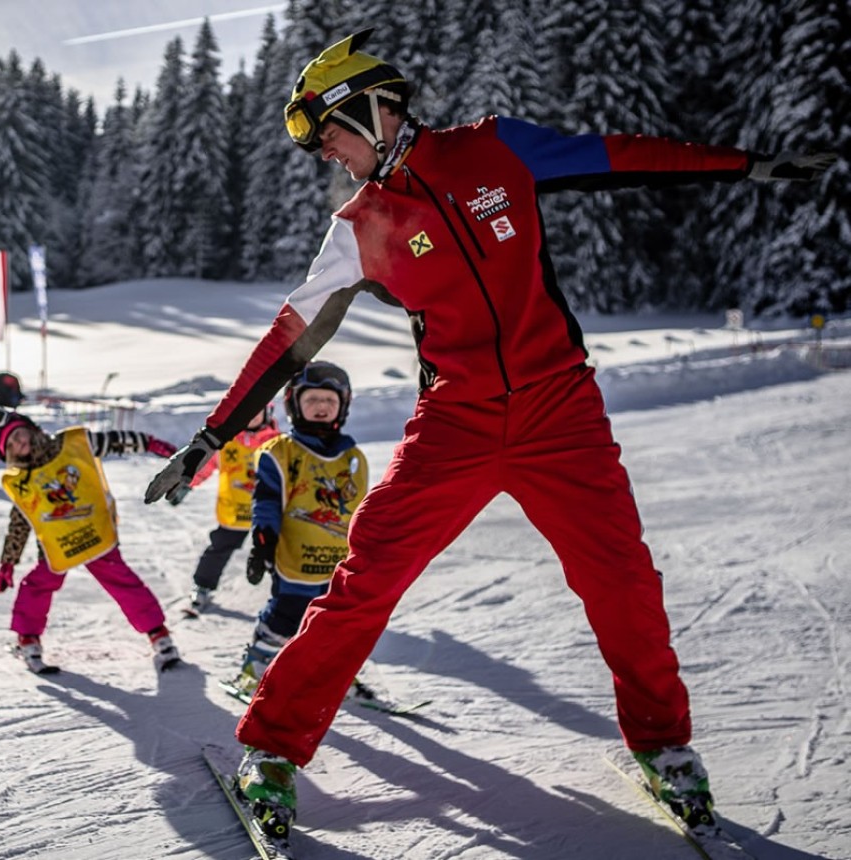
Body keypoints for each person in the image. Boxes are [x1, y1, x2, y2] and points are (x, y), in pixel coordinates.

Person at [144, 28, 837, 842]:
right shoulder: (359, 225)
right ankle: (270, 748)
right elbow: (289, 337)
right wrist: (212, 434)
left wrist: (745, 165)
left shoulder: (493, 151)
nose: (326, 154)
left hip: (560, 411)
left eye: (327, 133)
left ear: (373, 107)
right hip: (457, 422)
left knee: (621, 579)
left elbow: (617, 155)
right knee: (366, 579)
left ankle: (663, 743)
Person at [0, 408, 184, 674]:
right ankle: (28, 640)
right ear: (7, 454)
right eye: (11, 445)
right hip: (56, 544)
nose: (19, 444)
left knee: (122, 582)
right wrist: (8, 562)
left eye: (18, 435)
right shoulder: (22, 481)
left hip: (94, 533)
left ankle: (159, 635)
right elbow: (19, 523)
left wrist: (150, 444)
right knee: (37, 586)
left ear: (29, 428)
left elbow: (115, 440)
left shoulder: (72, 444)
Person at [225, 362, 367, 700]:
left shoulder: (353, 457)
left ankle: (335, 674)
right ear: (293, 404)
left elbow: (361, 509)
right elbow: (267, 501)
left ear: (343, 406)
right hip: (294, 557)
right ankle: (255, 668)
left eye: (329, 401)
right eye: (313, 399)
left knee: (337, 621)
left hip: (336, 561)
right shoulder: (280, 452)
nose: (321, 407)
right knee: (287, 613)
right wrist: (263, 542)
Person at [170, 403, 280, 616]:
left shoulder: (277, 443)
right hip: (235, 509)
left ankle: (289, 594)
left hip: (270, 511)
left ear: (266, 413)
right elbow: (205, 465)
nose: (251, 417)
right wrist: (186, 485)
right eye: (246, 412)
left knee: (278, 551)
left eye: (256, 412)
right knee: (219, 547)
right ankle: (202, 587)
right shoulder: (226, 442)